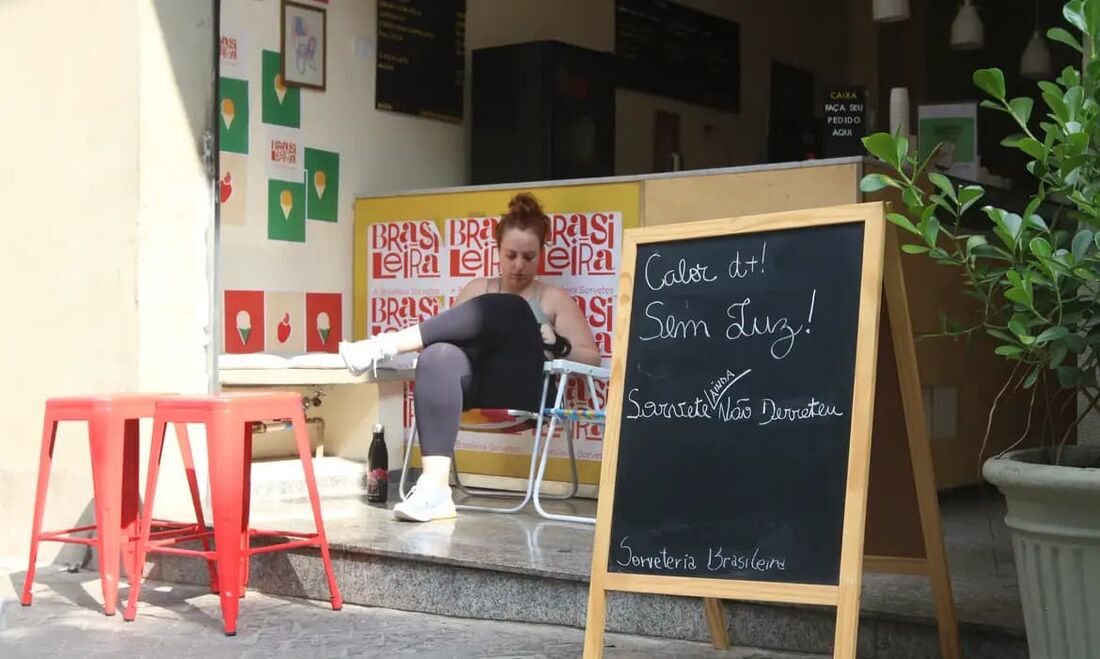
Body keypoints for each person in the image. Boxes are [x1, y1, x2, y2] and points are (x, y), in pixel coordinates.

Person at [339, 192, 602, 522]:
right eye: (511, 255)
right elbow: (447, 338)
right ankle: (435, 489)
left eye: (528, 257)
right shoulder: (478, 288)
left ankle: (386, 345)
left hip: (523, 391)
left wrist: (558, 345)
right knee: (437, 355)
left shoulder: (552, 297)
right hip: (477, 388)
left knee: (512, 308)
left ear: (541, 255)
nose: (519, 266)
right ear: (497, 251)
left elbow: (591, 358)